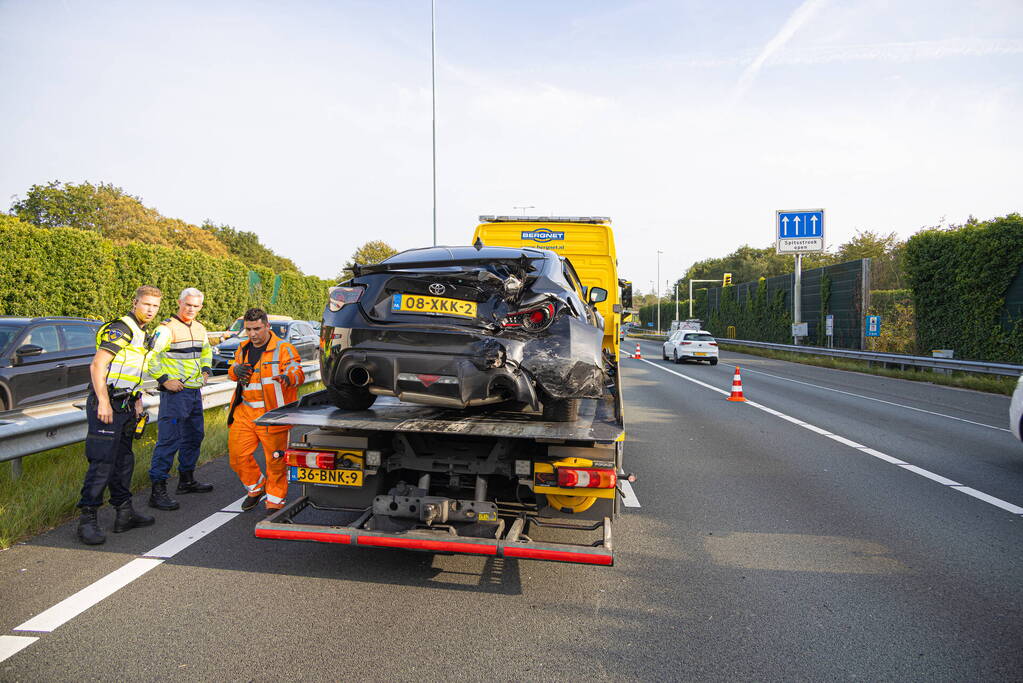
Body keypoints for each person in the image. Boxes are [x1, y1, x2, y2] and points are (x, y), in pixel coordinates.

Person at [76, 285, 162, 545]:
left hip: (125, 405)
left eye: (155, 306)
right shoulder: (122, 328)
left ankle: (124, 513)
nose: (150, 310)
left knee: (124, 461)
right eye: (146, 304)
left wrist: (137, 401)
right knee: (102, 462)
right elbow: (98, 365)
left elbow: (130, 371)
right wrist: (103, 401)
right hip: (107, 403)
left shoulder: (142, 332)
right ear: (135, 303)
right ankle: (87, 520)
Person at [227, 308, 305, 513]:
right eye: (248, 329)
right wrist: (235, 370)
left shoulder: (284, 348)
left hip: (272, 415)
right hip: (244, 413)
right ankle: (256, 487)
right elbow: (233, 371)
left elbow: (297, 372)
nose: (252, 334)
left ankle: (274, 502)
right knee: (237, 457)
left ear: (267, 326)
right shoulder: (243, 347)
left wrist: (288, 378)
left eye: (257, 329)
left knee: (275, 462)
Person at [147, 287, 215, 510]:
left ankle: (186, 480)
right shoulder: (166, 329)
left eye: (195, 306)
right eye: (188, 305)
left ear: (200, 307)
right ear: (179, 303)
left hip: (194, 392)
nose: (191, 309)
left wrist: (206, 370)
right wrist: (164, 379)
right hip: (175, 394)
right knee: (169, 440)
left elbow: (206, 352)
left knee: (195, 436)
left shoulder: (200, 328)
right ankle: (157, 491)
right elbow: (150, 357)